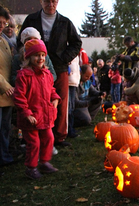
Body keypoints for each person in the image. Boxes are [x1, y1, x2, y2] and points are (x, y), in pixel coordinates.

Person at [17, 0, 82, 146]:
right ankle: (36, 136)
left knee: (60, 101)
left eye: (54, 1)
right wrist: (26, 58)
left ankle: (59, 137)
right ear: (41, 1)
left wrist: (64, 58)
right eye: (47, 1)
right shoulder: (31, 20)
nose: (50, 4)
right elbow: (20, 41)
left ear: (57, 2)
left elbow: (76, 43)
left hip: (59, 68)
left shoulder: (65, 22)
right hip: (34, 70)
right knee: (36, 102)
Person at [13, 39, 60, 180]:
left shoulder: (46, 74)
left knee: (49, 138)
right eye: (36, 55)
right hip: (31, 117)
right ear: (29, 57)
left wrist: (55, 98)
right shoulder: (24, 75)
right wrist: (26, 113)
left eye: (42, 55)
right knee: (34, 143)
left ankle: (44, 162)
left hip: (44, 114)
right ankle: (31, 167)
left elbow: (51, 89)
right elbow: (19, 96)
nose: (40, 58)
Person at [0, 6, 14, 173]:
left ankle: (4, 156)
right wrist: (4, 86)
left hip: (8, 93)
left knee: (5, 128)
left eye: (4, 23)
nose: (2, 25)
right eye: (0, 22)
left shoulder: (4, 41)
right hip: (4, 90)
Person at [68, 56, 80, 138]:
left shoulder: (76, 55)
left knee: (72, 107)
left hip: (74, 81)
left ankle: (71, 127)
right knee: (68, 108)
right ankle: (68, 129)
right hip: (69, 80)